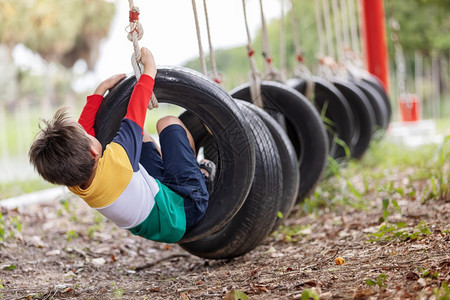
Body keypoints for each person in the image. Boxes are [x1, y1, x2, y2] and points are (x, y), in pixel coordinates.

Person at [29, 47, 215, 243]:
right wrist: (149, 70)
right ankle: (200, 177)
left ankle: (178, 172)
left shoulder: (74, 183)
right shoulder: (117, 161)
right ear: (93, 151)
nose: (89, 133)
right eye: (87, 136)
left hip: (160, 214)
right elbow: (136, 109)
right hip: (186, 209)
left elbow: (83, 135)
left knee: (140, 138)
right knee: (167, 123)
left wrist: (99, 91)